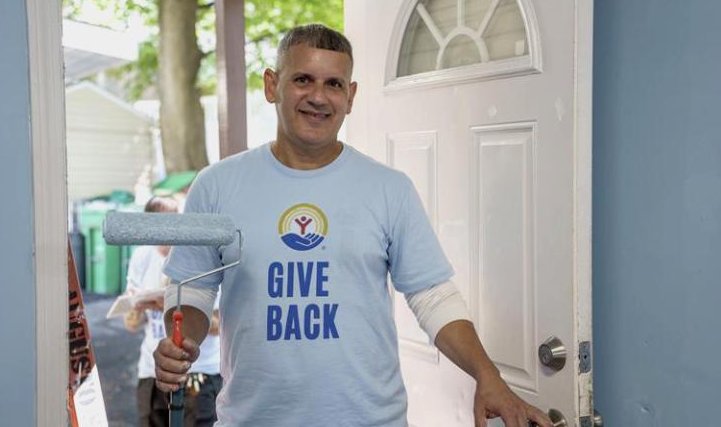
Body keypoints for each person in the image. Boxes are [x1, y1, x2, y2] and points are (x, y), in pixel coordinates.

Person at [153, 24, 553, 427]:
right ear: (272, 85)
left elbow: (434, 298)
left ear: (351, 96)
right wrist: (181, 342)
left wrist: (489, 376)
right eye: (303, 79)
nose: (318, 97)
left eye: (334, 84)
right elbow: (193, 289)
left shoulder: (388, 188)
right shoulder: (217, 185)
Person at [123, 196, 222, 427]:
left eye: (172, 220)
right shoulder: (141, 255)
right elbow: (131, 325)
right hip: (151, 370)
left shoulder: (199, 254)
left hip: (198, 372)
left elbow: (219, 326)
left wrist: (170, 307)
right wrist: (136, 305)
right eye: (157, 223)